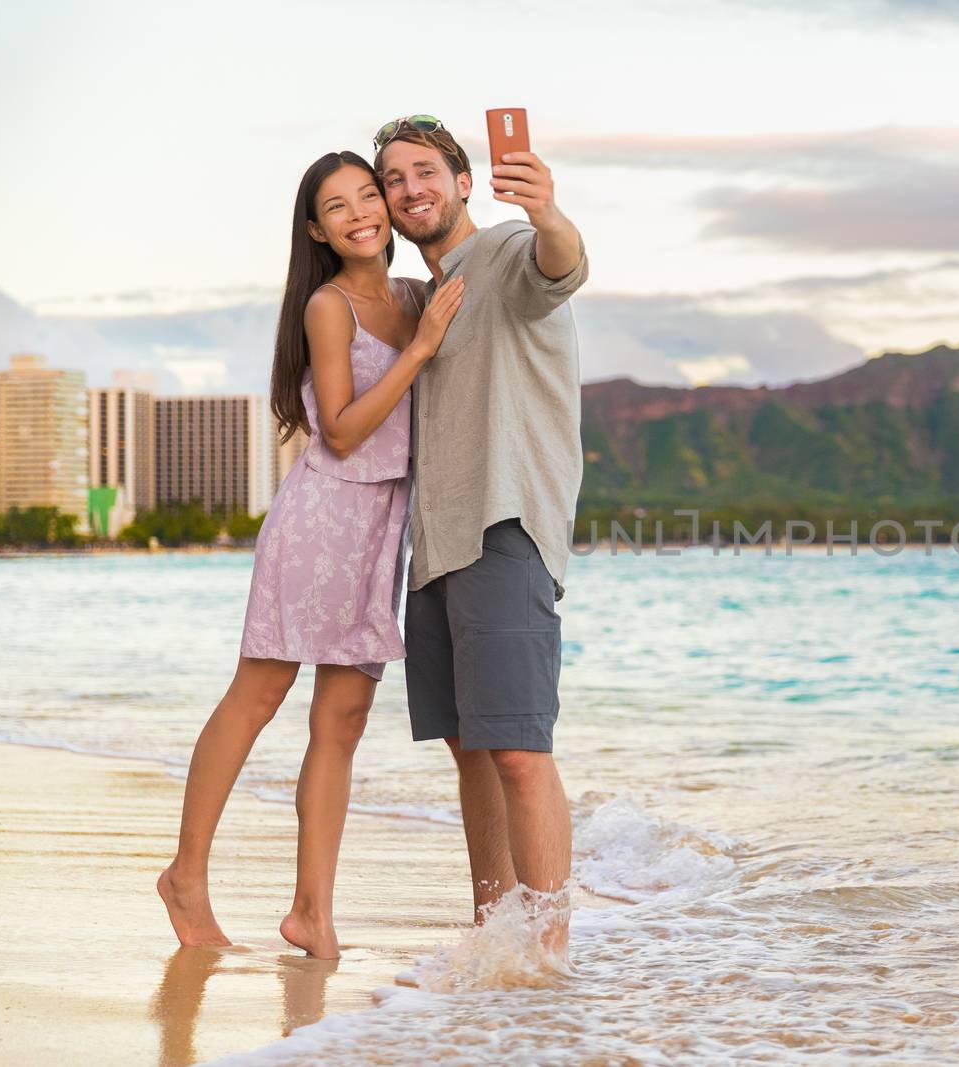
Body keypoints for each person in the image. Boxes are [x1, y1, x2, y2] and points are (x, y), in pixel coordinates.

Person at [157, 150, 464, 958]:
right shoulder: (330, 307)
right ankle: (186, 873)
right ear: (315, 228)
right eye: (340, 205)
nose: (364, 211)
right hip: (322, 517)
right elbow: (341, 428)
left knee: (345, 719)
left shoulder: (412, 297)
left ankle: (311, 912)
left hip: (382, 527)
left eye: (372, 194)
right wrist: (422, 348)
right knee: (259, 693)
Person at [372, 114, 589, 958]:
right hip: (439, 546)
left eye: (425, 170)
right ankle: (494, 937)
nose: (410, 188)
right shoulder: (422, 298)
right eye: (394, 178)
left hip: (504, 526)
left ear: (464, 181)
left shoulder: (504, 251)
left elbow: (559, 266)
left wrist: (549, 214)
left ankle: (549, 955)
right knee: (472, 751)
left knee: (520, 751)